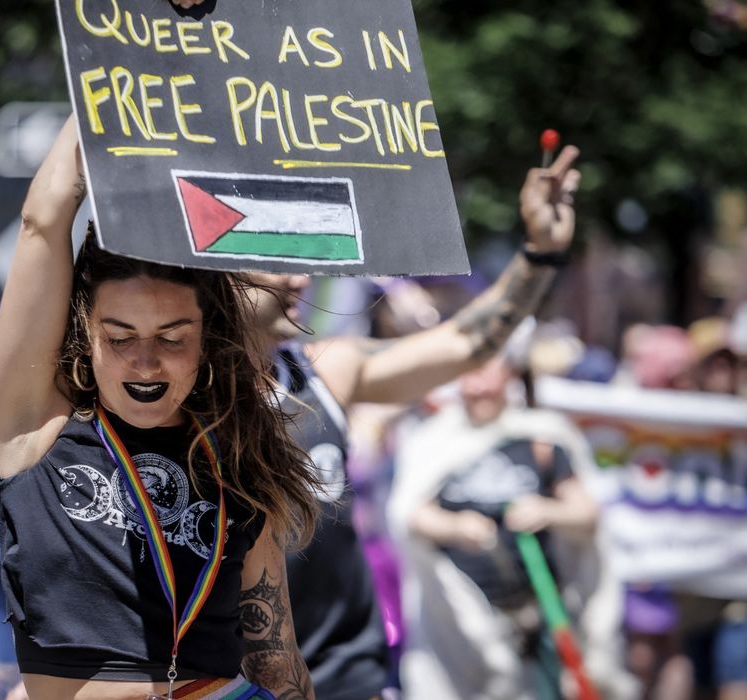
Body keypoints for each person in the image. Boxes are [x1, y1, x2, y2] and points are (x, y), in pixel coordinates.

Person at [0, 109, 320, 700]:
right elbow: (43, 221)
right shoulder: (37, 426)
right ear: (86, 336)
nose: (145, 362)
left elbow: (277, 659)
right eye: (120, 338)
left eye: (172, 339)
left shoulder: (238, 461)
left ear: (206, 339)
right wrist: (110, 79)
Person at [237, 144, 582, 699]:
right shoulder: (170, 399)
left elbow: (465, 344)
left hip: (348, 679)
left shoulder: (327, 371)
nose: (300, 279)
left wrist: (539, 253)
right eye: (276, 263)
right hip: (233, 684)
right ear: (220, 276)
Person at [390, 353, 629, 699]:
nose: (478, 388)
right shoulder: (433, 440)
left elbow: (586, 514)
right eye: (469, 376)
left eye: (486, 375)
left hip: (538, 617)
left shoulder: (541, 436)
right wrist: (455, 526)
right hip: (461, 628)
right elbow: (410, 514)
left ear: (509, 376)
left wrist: (548, 511)